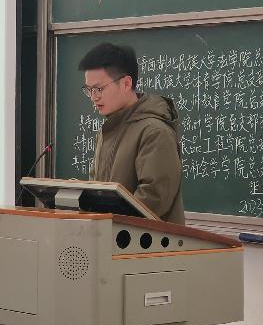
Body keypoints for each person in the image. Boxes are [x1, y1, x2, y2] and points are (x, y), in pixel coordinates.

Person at [78, 42, 185, 225]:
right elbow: (97, 190)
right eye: (89, 90)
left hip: (145, 241)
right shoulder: (108, 131)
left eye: (99, 89)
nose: (94, 97)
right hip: (108, 236)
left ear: (126, 83)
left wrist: (106, 220)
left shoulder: (155, 131)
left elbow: (152, 200)